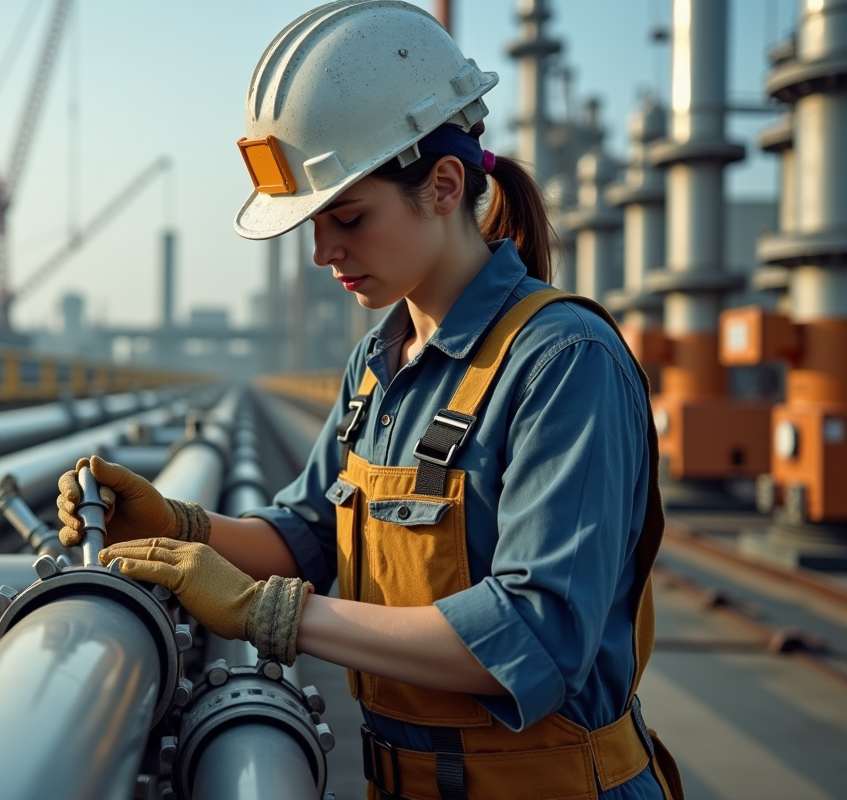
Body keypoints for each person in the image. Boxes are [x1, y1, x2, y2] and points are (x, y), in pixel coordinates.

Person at [56, 3, 683, 798]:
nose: (323, 253)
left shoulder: (563, 363)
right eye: (315, 226)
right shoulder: (378, 364)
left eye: (347, 218)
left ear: (444, 185)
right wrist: (178, 524)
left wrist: (266, 614)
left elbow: (538, 634)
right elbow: (310, 536)